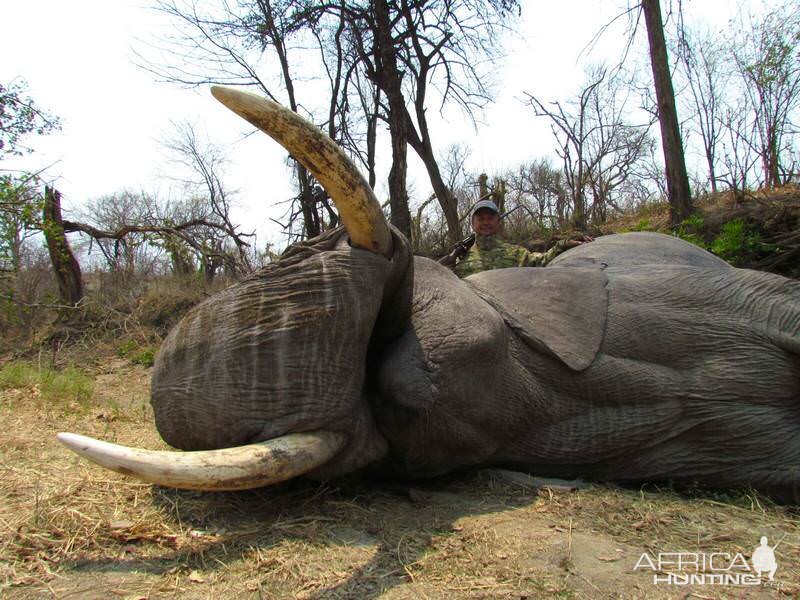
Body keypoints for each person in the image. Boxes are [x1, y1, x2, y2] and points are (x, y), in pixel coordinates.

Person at [446, 199, 589, 278]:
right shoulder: (459, 259)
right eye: (481, 219)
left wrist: (563, 244)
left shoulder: (516, 254)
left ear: (498, 222)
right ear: (472, 224)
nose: (485, 223)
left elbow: (542, 260)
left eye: (490, 218)